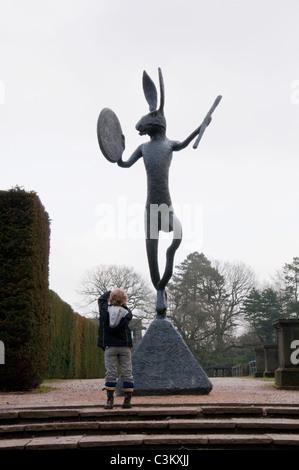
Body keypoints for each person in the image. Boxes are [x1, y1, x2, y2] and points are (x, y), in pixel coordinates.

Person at [98, 289, 134, 409]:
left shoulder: (105, 311)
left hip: (110, 346)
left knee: (111, 373)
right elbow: (126, 308)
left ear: (111, 299)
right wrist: (122, 300)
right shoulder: (127, 313)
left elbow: (101, 299)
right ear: (124, 301)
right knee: (127, 373)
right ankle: (127, 401)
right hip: (124, 346)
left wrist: (110, 292)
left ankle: (109, 401)